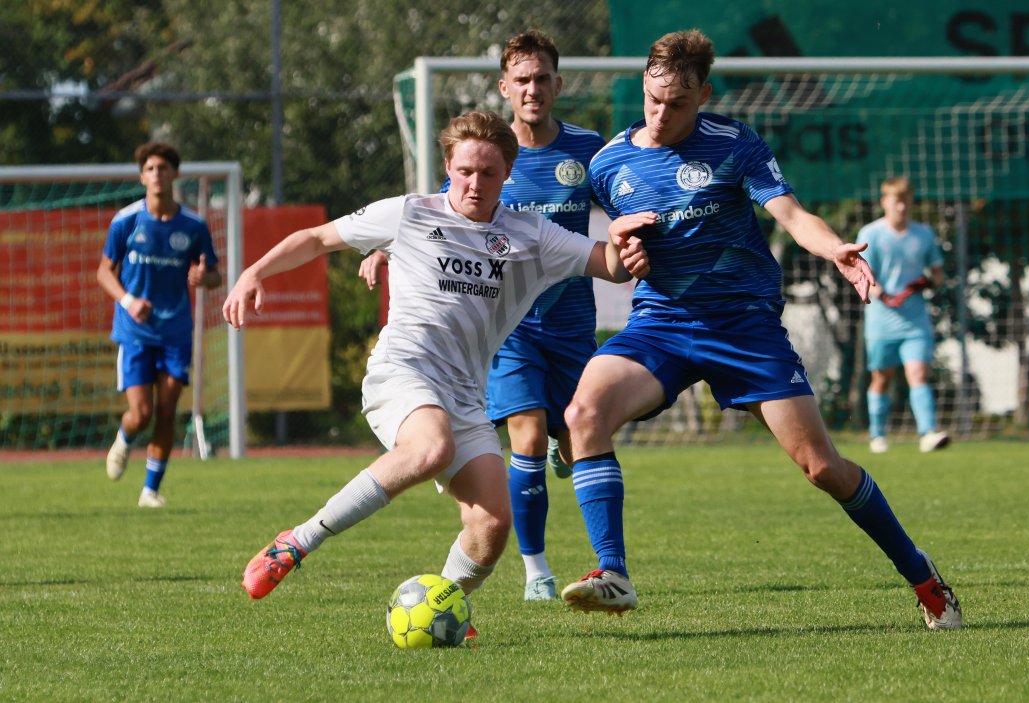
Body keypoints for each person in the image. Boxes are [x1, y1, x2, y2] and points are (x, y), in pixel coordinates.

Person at [557, 30, 962, 630]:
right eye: (652, 100)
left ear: (704, 95)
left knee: (822, 468)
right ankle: (612, 572)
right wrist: (622, 255)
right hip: (661, 325)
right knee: (584, 413)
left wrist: (836, 252)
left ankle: (924, 578)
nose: (661, 114)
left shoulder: (735, 144)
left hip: (744, 328)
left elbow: (793, 216)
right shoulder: (611, 162)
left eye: (677, 104)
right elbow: (604, 255)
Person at [226, 112, 651, 636]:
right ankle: (298, 540)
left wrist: (627, 238)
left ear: (507, 173)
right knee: (431, 450)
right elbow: (317, 239)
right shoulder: (407, 213)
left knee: (492, 526)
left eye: (489, 173)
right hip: (401, 373)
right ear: (448, 166)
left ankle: (442, 606)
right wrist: (253, 273)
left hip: (465, 395)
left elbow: (607, 263)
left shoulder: (529, 234)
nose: (475, 183)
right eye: (465, 170)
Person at [361, 31, 607, 602]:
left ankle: (559, 443)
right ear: (505, 87)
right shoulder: (488, 153)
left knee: (579, 440)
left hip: (572, 320)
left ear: (557, 85)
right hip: (512, 323)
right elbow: (437, 215)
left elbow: (618, 209)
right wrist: (383, 247)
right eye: (521, 80)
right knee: (523, 437)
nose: (533, 90)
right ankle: (537, 572)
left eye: (543, 79)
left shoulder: (587, 149)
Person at [97, 142, 222, 508]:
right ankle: (124, 439)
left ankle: (150, 490)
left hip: (175, 333)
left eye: (163, 168)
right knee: (143, 413)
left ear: (174, 174)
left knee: (167, 412)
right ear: (142, 176)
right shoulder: (126, 221)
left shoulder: (194, 225)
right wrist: (128, 300)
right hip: (135, 332)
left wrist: (205, 277)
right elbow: (104, 272)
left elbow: (213, 274)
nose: (156, 175)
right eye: (150, 169)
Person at [856, 177, 950, 454]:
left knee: (918, 373)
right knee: (882, 378)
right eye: (895, 200)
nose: (901, 205)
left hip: (915, 319)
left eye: (905, 199)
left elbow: (937, 275)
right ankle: (878, 435)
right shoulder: (870, 234)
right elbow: (863, 276)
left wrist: (924, 283)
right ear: (884, 202)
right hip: (881, 320)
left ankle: (928, 434)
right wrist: (883, 294)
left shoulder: (924, 234)